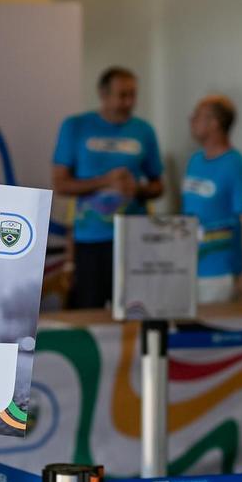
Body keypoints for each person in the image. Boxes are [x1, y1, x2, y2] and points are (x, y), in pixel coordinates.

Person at [52, 67, 164, 309]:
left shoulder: (144, 131)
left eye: (133, 95)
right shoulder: (76, 126)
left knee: (136, 310)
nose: (128, 102)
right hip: (90, 239)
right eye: (122, 95)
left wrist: (138, 189)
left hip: (135, 238)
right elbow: (60, 183)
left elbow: (158, 185)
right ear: (103, 94)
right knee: (88, 309)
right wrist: (105, 181)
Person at [183, 95, 242, 304]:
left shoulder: (237, 167)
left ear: (214, 123)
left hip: (220, 273)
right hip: (191, 268)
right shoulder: (195, 161)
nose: (191, 121)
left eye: (197, 116)